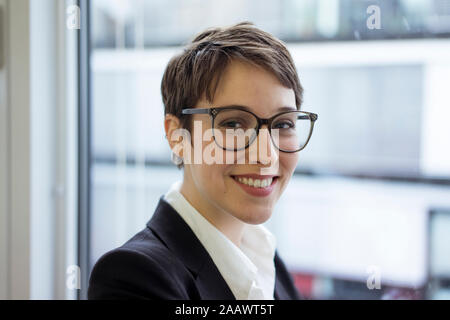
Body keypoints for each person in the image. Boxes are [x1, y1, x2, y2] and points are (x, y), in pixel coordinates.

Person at [88, 21, 318, 300]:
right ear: (177, 136)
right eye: (233, 124)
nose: (266, 155)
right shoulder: (133, 277)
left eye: (283, 125)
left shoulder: (269, 262)